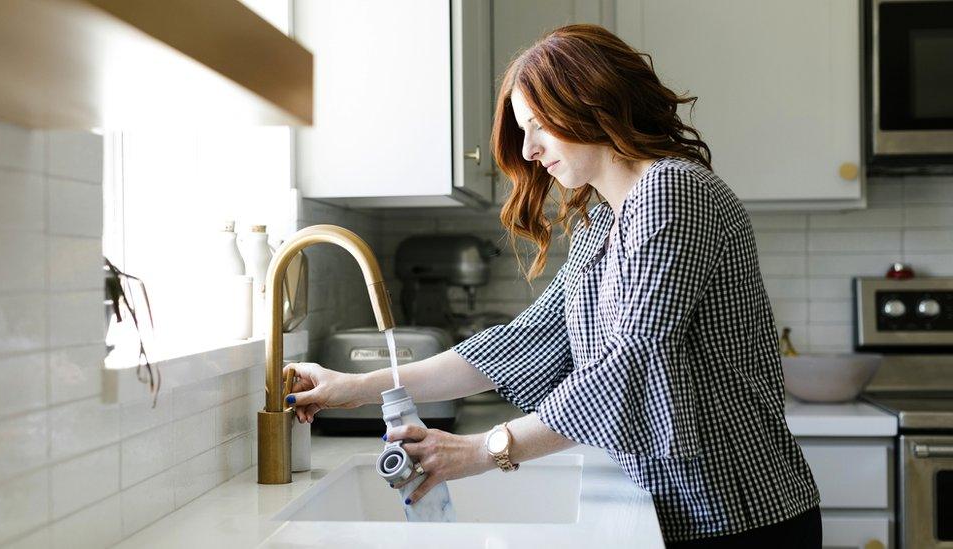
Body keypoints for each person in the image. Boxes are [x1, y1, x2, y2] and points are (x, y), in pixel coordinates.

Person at [283, 24, 821, 547]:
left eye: (539, 124)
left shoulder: (673, 190)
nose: (531, 148)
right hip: (675, 507)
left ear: (592, 101)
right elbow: (521, 343)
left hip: (740, 512)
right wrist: (350, 389)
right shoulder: (602, 221)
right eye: (524, 130)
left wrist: (483, 450)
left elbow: (632, 362)